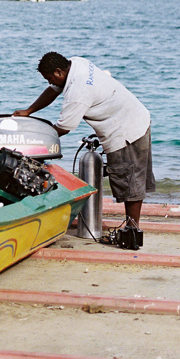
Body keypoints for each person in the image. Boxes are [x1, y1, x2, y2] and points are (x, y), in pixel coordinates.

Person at [12, 52, 155, 228]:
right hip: (136, 116)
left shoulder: (77, 91)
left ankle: (132, 231)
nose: (49, 83)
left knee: (130, 182)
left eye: (49, 78)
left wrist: (33, 143)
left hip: (125, 130)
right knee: (132, 179)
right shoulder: (76, 64)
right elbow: (53, 90)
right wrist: (29, 111)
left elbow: (63, 128)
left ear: (58, 71)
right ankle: (131, 228)